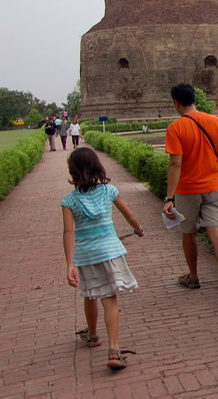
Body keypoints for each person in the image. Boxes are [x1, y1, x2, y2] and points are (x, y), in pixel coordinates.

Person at [61, 147, 144, 370]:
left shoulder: (69, 201)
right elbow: (129, 214)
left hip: (85, 255)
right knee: (109, 298)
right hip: (110, 251)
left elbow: (69, 233)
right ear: (97, 165)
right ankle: (114, 349)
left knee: (89, 294)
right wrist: (138, 229)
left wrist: (70, 264)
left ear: (73, 171)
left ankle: (93, 335)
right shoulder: (109, 191)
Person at [162, 83, 218, 304]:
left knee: (189, 233)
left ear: (176, 103)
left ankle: (193, 277)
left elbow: (175, 164)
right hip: (214, 187)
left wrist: (168, 198)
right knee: (217, 232)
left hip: (187, 191)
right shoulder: (215, 121)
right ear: (195, 98)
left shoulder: (175, 128)